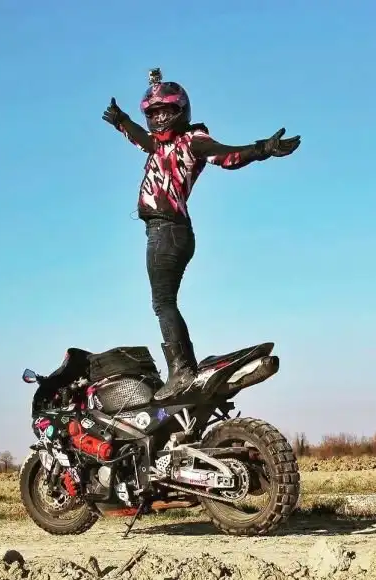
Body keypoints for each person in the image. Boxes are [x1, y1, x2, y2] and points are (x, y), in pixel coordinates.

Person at [102, 69, 301, 401]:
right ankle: (184, 368)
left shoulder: (191, 141)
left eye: (166, 111)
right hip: (167, 231)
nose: (160, 118)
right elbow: (142, 138)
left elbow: (226, 155)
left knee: (163, 302)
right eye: (154, 113)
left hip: (167, 230)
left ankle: (181, 371)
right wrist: (121, 120)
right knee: (165, 302)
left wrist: (263, 148)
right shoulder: (160, 145)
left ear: (181, 111)